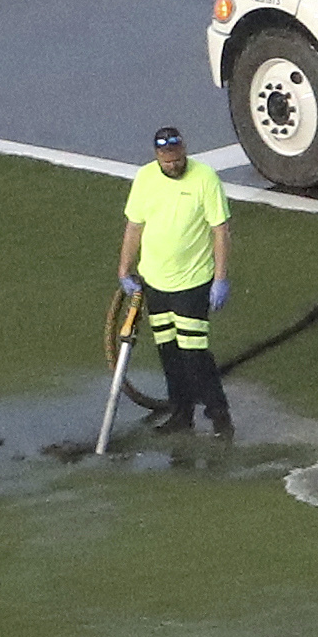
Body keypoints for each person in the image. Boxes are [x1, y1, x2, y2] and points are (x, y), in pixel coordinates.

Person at [116, 128, 234, 438]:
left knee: (194, 352)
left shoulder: (205, 178)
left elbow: (220, 231)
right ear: (157, 157)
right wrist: (124, 271)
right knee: (169, 351)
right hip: (155, 283)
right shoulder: (144, 179)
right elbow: (134, 227)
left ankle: (219, 414)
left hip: (192, 282)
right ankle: (181, 414)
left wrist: (220, 278)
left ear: (185, 151)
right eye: (167, 162)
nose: (174, 165)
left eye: (178, 159)